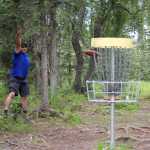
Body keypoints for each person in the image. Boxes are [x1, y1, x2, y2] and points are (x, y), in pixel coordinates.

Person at [3, 27, 30, 117]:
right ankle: (5, 111)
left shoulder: (26, 56)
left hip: (24, 79)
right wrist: (18, 35)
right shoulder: (17, 53)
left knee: (25, 97)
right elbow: (18, 44)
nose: (24, 48)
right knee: (12, 93)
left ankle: (25, 115)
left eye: (25, 47)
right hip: (15, 77)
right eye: (23, 47)